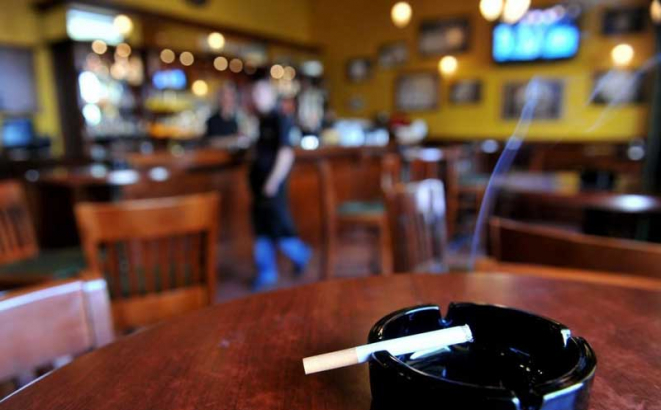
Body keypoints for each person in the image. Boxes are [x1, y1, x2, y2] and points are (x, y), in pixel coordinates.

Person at [249, 78, 310, 291]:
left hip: (272, 186)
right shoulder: (262, 120)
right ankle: (266, 273)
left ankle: (302, 255)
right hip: (259, 186)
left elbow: (286, 154)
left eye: (260, 93)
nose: (255, 98)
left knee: (280, 229)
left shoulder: (280, 118)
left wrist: (273, 181)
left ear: (271, 96)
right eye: (254, 94)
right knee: (262, 230)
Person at [204, 83, 241, 147]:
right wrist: (233, 139)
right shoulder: (212, 121)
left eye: (231, 95)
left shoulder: (236, 120)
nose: (229, 99)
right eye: (225, 96)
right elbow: (211, 142)